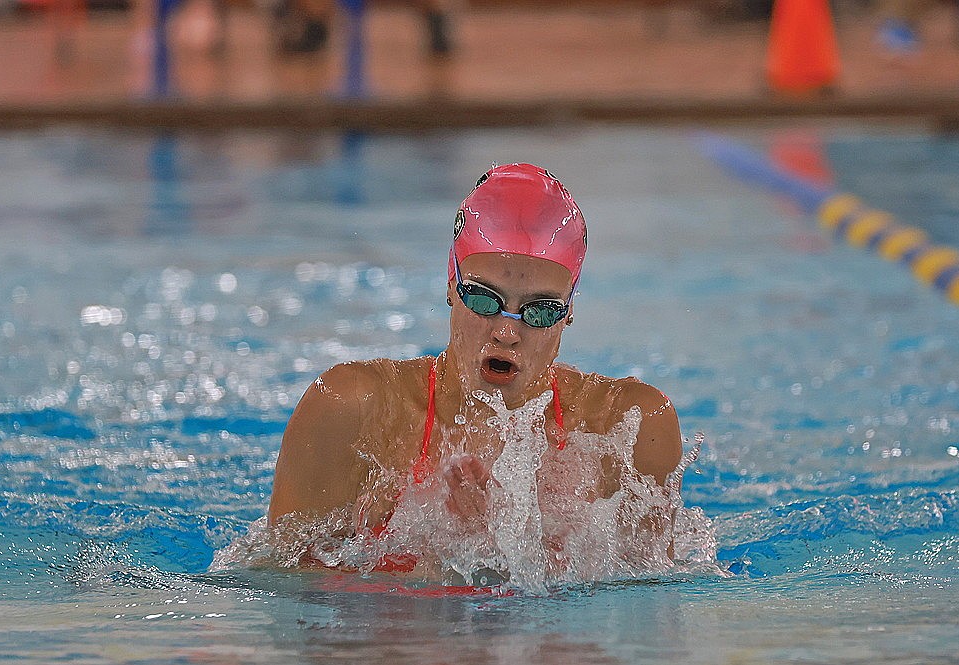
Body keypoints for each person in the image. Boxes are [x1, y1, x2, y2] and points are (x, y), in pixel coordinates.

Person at [267, 163, 683, 574]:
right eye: (485, 299)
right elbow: (279, 589)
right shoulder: (354, 410)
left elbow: (646, 612)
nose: (506, 331)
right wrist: (440, 565)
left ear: (569, 310)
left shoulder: (627, 428)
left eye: (539, 311)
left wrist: (504, 559)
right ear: (451, 284)